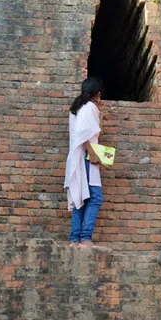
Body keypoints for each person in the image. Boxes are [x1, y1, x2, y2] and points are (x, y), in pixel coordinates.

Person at [66, 77, 106, 245]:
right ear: (97, 93)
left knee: (80, 196)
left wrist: (100, 113)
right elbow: (84, 134)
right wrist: (94, 155)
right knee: (95, 197)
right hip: (86, 157)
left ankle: (75, 238)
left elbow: (94, 131)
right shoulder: (89, 107)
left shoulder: (79, 107)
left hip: (79, 156)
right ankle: (86, 237)